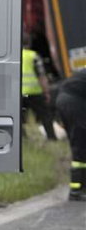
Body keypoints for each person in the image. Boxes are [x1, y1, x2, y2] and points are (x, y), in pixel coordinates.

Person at [56, 70, 86, 201]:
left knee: (81, 142)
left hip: (67, 100)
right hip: (73, 102)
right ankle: (76, 190)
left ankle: (81, 187)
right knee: (81, 143)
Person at [21, 39, 57, 140]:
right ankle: (51, 138)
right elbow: (41, 76)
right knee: (45, 116)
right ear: (29, 44)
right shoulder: (33, 56)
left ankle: (23, 139)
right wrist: (46, 92)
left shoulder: (14, 56)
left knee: (19, 118)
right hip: (34, 92)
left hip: (20, 93)